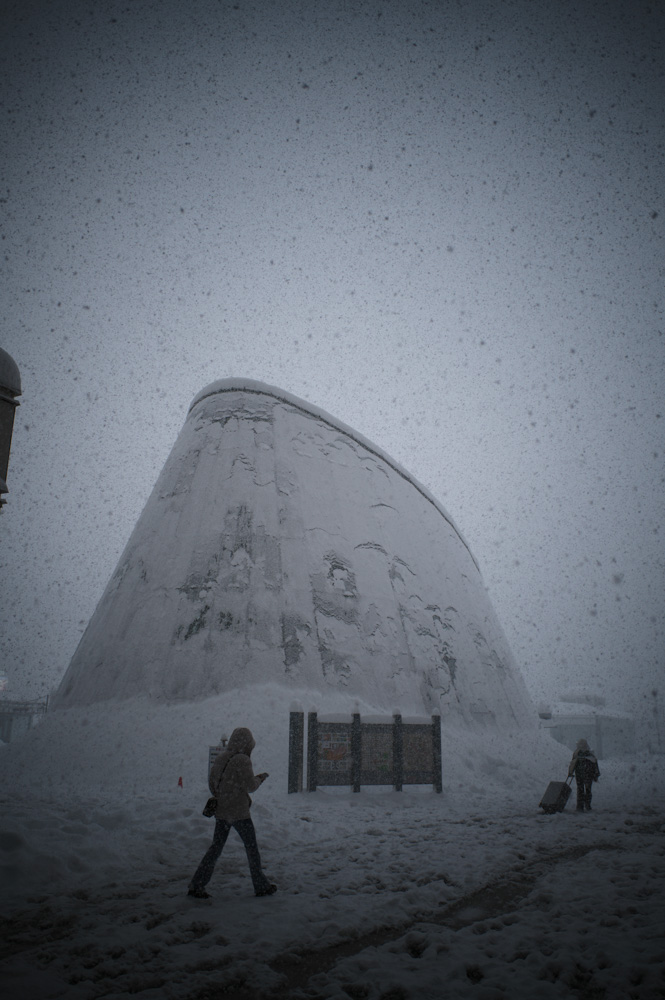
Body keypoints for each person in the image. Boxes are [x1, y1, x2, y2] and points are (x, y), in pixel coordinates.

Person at [188, 727, 277, 899]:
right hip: (239, 813)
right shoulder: (242, 760)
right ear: (247, 744)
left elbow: (212, 784)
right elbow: (250, 786)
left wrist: (224, 796)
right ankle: (260, 885)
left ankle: (197, 884)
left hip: (222, 812)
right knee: (252, 849)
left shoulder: (221, 758)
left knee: (215, 848)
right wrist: (259, 779)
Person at [567, 738, 600, 811]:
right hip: (588, 774)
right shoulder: (589, 753)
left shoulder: (577, 753)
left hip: (580, 774)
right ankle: (587, 805)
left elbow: (573, 763)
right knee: (587, 789)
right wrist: (596, 774)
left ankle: (580, 806)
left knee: (580, 789)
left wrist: (570, 772)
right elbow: (595, 764)